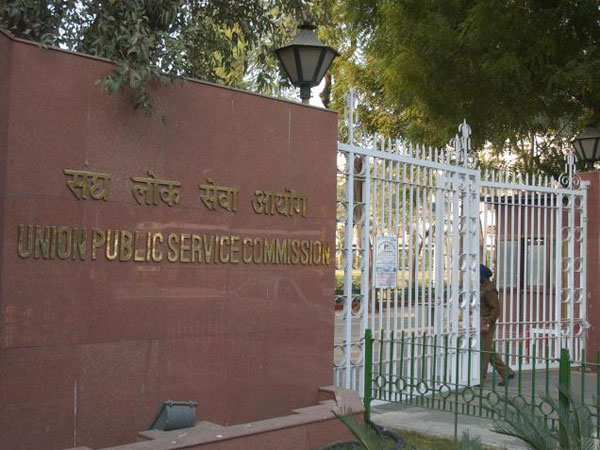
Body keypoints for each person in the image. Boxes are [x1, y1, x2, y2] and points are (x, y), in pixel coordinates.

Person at [480, 264, 514, 386]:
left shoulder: (489, 290)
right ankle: (507, 373)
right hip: (480, 321)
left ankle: (479, 377)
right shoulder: (482, 287)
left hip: (486, 322)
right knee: (487, 350)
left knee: (484, 351)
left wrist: (488, 322)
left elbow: (496, 309)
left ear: (483, 276)